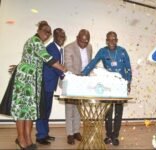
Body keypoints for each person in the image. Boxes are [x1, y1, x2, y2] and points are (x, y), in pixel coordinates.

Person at [0, 21, 68, 149]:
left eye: (49, 32)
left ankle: (28, 139)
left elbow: (32, 60)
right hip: (24, 82)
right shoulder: (35, 41)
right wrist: (64, 69)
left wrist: (18, 66)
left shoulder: (39, 44)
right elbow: (48, 59)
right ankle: (21, 139)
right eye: (45, 31)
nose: (47, 34)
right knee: (22, 111)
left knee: (30, 111)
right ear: (38, 30)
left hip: (32, 82)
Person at [82, 31, 132, 146]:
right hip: (108, 86)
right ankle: (109, 135)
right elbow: (93, 63)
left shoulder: (123, 51)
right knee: (108, 112)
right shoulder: (103, 51)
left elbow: (128, 68)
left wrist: (128, 82)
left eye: (114, 39)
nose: (112, 42)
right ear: (106, 41)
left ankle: (115, 136)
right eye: (109, 40)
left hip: (121, 86)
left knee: (118, 112)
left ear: (117, 40)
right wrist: (83, 74)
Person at [35, 28, 66, 145]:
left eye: (63, 36)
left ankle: (45, 133)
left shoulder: (57, 49)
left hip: (49, 84)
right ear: (54, 36)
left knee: (47, 110)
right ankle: (40, 136)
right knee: (42, 110)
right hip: (45, 83)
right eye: (59, 36)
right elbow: (55, 66)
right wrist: (66, 76)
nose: (61, 39)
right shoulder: (52, 48)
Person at [64, 29, 93, 144]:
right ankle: (70, 133)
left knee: (79, 107)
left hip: (84, 82)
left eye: (86, 42)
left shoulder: (90, 47)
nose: (84, 44)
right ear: (77, 38)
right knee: (69, 107)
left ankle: (76, 131)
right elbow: (68, 66)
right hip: (71, 80)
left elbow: (89, 64)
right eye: (82, 42)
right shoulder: (68, 48)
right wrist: (79, 77)